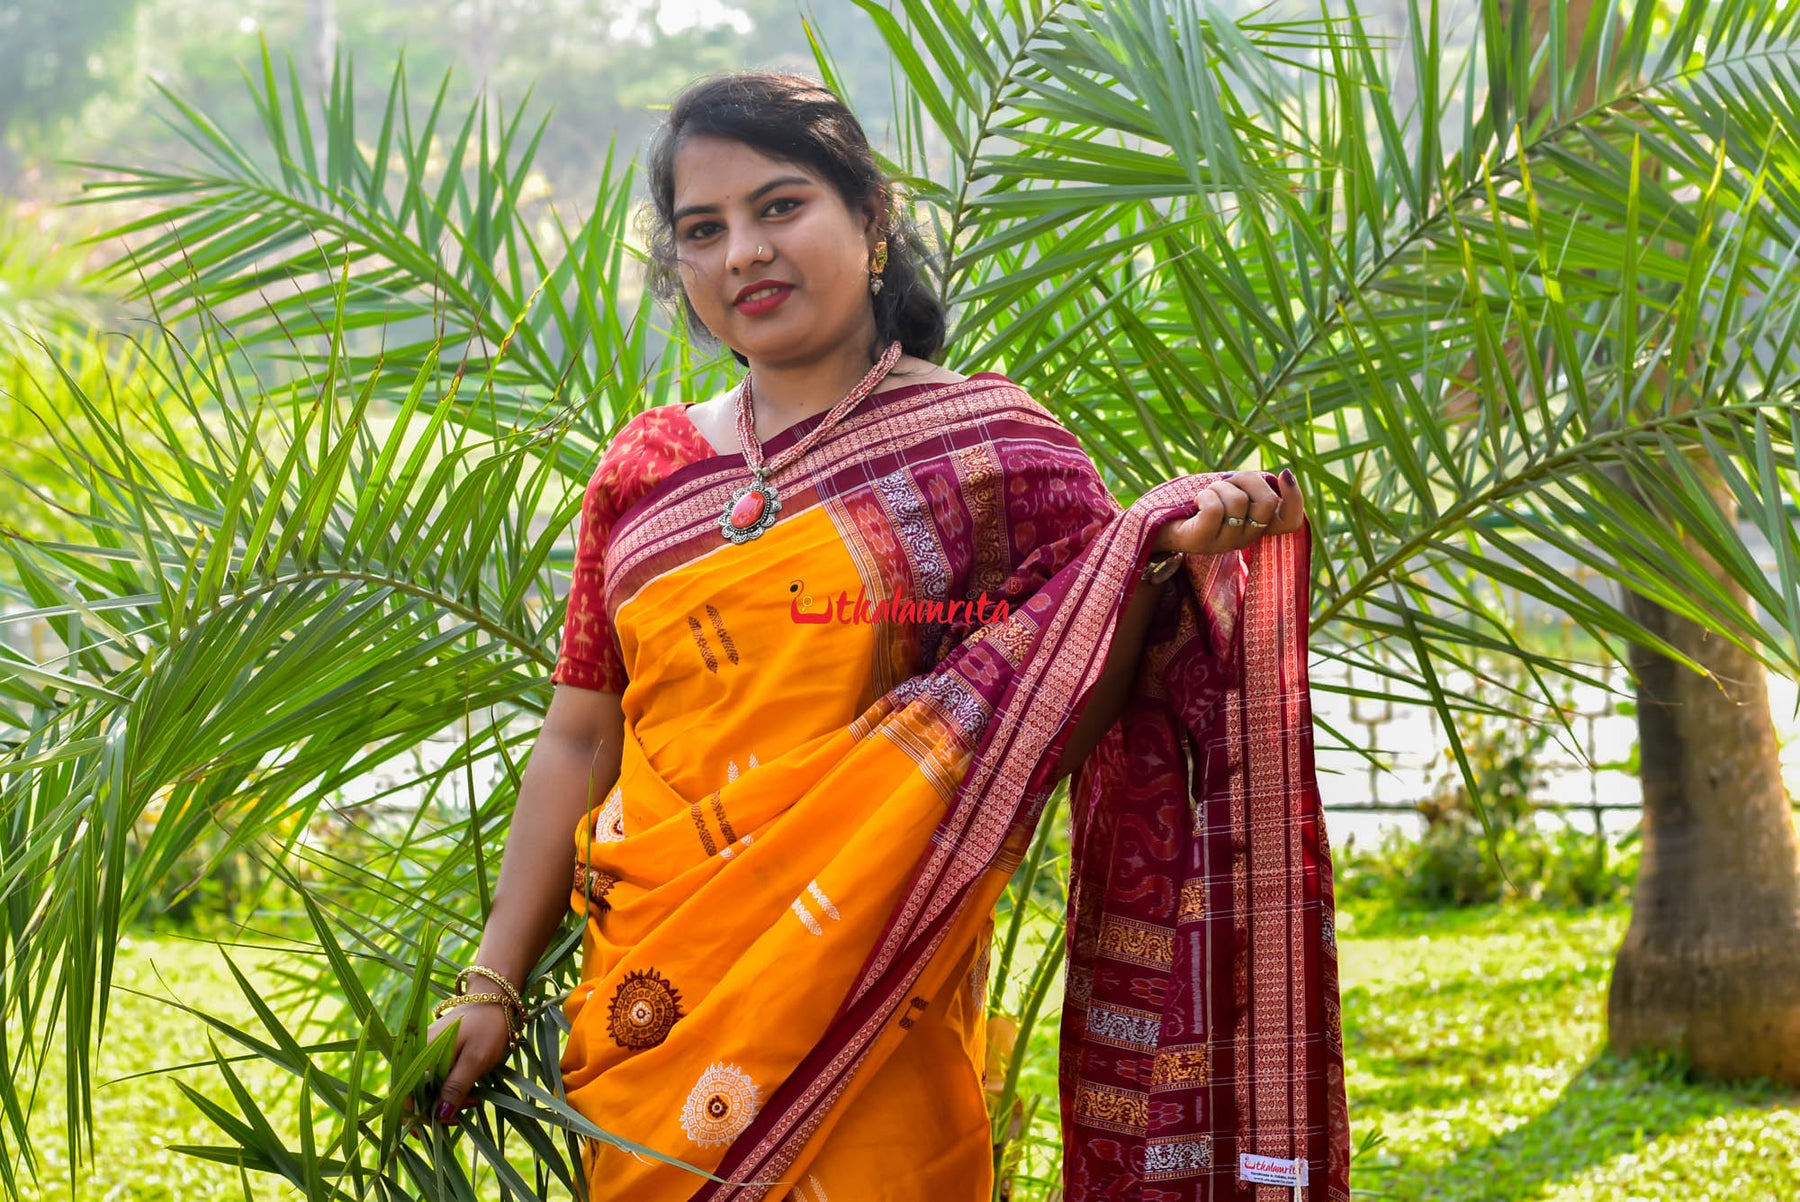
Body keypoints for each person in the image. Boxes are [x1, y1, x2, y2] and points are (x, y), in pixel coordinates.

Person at [412, 71, 1349, 1201]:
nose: (742, 253)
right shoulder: (643, 469)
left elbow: (1071, 692)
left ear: (873, 219)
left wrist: (1175, 551)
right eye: (702, 231)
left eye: (779, 206)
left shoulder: (997, 452)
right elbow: (578, 736)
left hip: (876, 992)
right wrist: (491, 979)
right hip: (650, 1002)